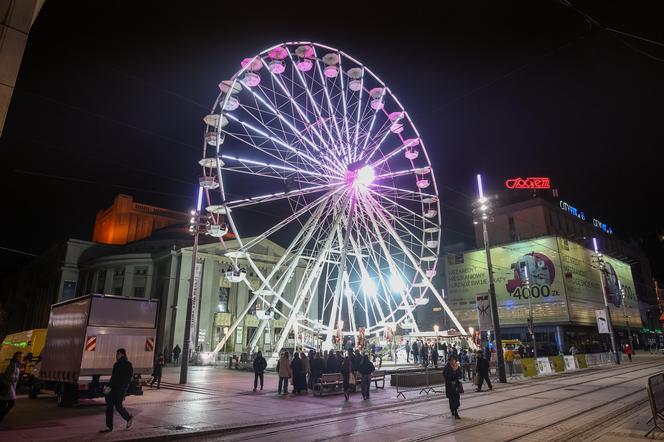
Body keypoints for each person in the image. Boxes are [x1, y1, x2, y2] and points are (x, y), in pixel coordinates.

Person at [101, 348, 134, 432]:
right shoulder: (122, 364)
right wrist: (109, 387)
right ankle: (111, 426)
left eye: (117, 354)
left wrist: (110, 386)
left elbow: (117, 378)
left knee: (114, 406)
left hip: (118, 388)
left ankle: (127, 418)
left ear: (121, 354)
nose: (116, 356)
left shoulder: (122, 364)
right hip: (118, 388)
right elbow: (116, 378)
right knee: (113, 407)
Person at [0, 351, 22, 423]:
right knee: (12, 402)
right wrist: (16, 378)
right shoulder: (13, 364)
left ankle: (1, 417)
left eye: (22, 357)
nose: (21, 358)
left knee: (3, 403)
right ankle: (1, 416)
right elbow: (10, 375)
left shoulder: (16, 364)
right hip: (8, 386)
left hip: (10, 385)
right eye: (19, 356)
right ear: (15, 357)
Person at [443, 354, 463, 419]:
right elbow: (445, 375)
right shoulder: (447, 367)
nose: (452, 361)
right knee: (452, 399)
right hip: (450, 386)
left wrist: (458, 376)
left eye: (453, 359)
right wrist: (452, 376)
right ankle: (455, 412)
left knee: (457, 399)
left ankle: (454, 409)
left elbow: (460, 374)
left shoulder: (457, 366)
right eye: (451, 360)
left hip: (456, 385)